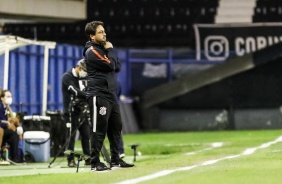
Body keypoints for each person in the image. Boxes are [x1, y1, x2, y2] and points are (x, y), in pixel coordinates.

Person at [83, 20, 134, 171]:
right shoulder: (92, 51)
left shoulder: (103, 49)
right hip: (99, 95)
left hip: (111, 94)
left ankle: (116, 159)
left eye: (104, 31)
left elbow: (117, 66)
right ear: (92, 36)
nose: (104, 34)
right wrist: (110, 50)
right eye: (100, 32)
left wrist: (110, 53)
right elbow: (112, 65)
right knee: (99, 129)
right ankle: (95, 162)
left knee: (116, 127)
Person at [61, 59, 91, 167]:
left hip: (82, 109)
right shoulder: (67, 77)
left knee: (86, 135)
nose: (85, 74)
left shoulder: (84, 77)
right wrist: (89, 95)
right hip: (70, 111)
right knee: (71, 136)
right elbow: (75, 91)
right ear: (79, 68)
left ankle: (88, 158)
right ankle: (70, 159)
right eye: (85, 71)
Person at [0, 89, 20, 162]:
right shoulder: (0, 107)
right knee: (13, 134)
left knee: (15, 133)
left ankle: (15, 157)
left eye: (10, 96)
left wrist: (8, 107)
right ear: (2, 98)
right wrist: (7, 124)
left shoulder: (5, 108)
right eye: (8, 96)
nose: (10, 98)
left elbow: (13, 119)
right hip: (1, 130)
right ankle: (14, 158)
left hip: (3, 130)